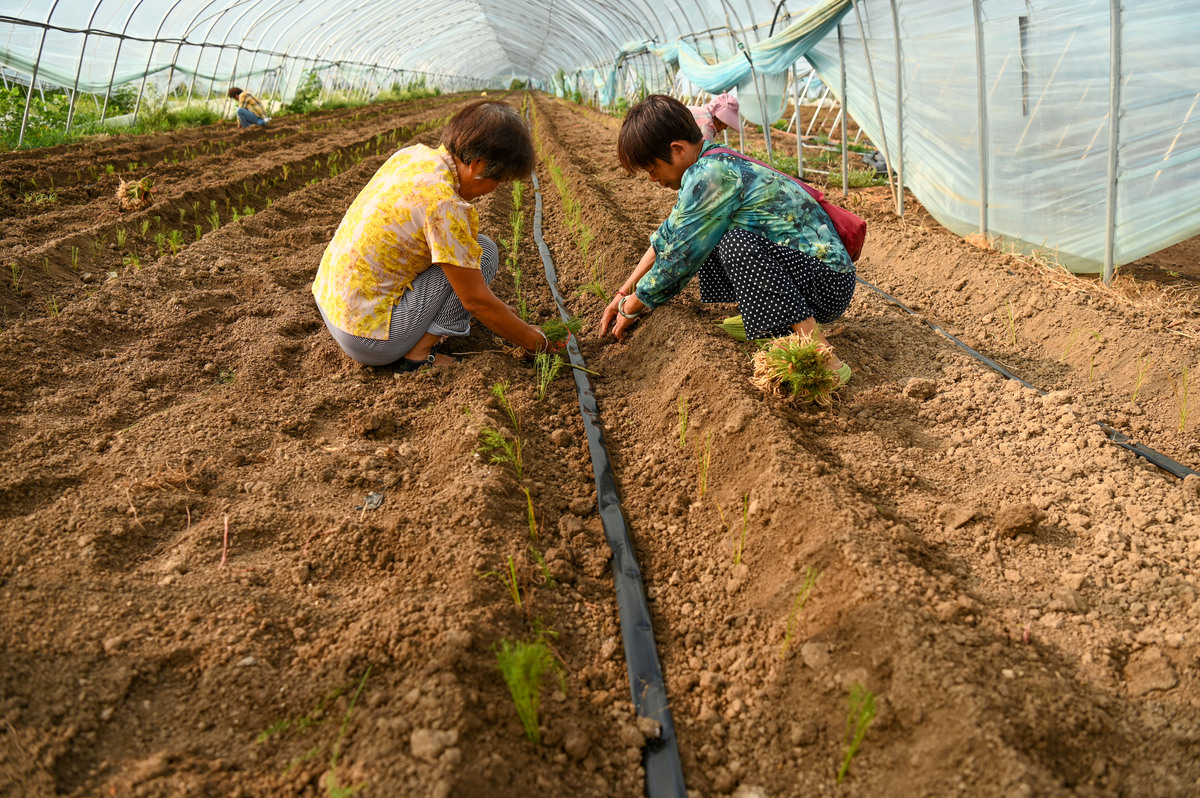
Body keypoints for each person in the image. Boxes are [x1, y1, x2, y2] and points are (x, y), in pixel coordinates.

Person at [598, 95, 855, 385]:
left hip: (828, 283)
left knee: (735, 243)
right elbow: (668, 236)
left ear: (677, 149)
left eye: (652, 169)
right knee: (709, 233)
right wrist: (623, 292)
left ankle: (822, 352)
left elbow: (680, 259)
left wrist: (631, 306)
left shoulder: (711, 173)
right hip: (806, 274)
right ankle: (766, 318)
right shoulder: (709, 159)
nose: (653, 179)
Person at [313, 100, 560, 371]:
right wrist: (536, 341)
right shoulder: (444, 205)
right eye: (498, 181)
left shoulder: (412, 156)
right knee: (484, 254)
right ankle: (418, 354)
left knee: (473, 250)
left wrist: (500, 312)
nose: (494, 189)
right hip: (368, 340)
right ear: (477, 165)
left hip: (332, 303)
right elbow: (476, 301)